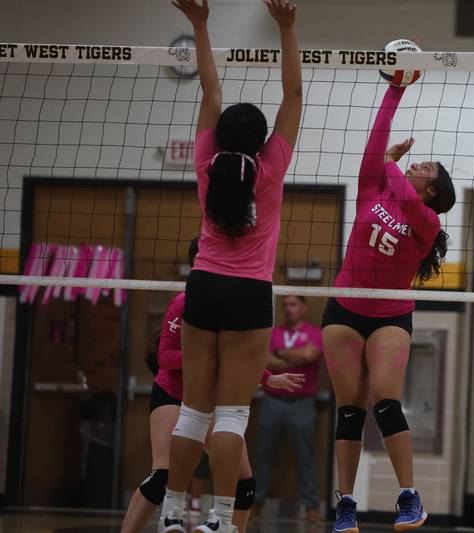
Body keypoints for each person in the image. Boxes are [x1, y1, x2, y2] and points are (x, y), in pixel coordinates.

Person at [159, 0, 302, 531]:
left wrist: (199, 24)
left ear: (220, 138)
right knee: (232, 414)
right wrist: (288, 28)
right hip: (247, 294)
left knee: (194, 411)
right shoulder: (270, 167)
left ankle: (172, 513)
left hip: (203, 286)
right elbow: (294, 94)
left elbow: (211, 92)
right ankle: (220, 520)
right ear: (263, 141)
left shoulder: (204, 162)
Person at [322, 81, 456, 533]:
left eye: (427, 167)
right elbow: (375, 146)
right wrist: (395, 90)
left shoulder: (428, 221)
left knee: (385, 400)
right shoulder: (373, 191)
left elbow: (385, 164)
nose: (417, 163)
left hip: (389, 315)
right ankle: (346, 504)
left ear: (432, 191)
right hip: (344, 308)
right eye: (419, 161)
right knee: (349, 408)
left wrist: (392, 163)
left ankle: (409, 496)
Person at [120, 239, 303, 533]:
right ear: (199, 264)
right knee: (163, 476)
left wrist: (268, 378)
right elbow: (164, 357)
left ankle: (227, 526)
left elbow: (238, 357)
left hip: (211, 399)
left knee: (245, 482)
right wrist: (205, 359)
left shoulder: (234, 303)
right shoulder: (183, 302)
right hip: (173, 392)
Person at [254, 295, 323, 522]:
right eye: (284, 305)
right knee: (263, 455)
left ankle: (311, 506)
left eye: (293, 304)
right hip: (272, 401)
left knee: (305, 456)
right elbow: (264, 360)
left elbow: (310, 354)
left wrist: (280, 354)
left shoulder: (314, 332)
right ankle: (255, 503)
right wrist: (296, 359)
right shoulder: (273, 333)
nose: (288, 309)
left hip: (302, 404)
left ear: (303, 308)